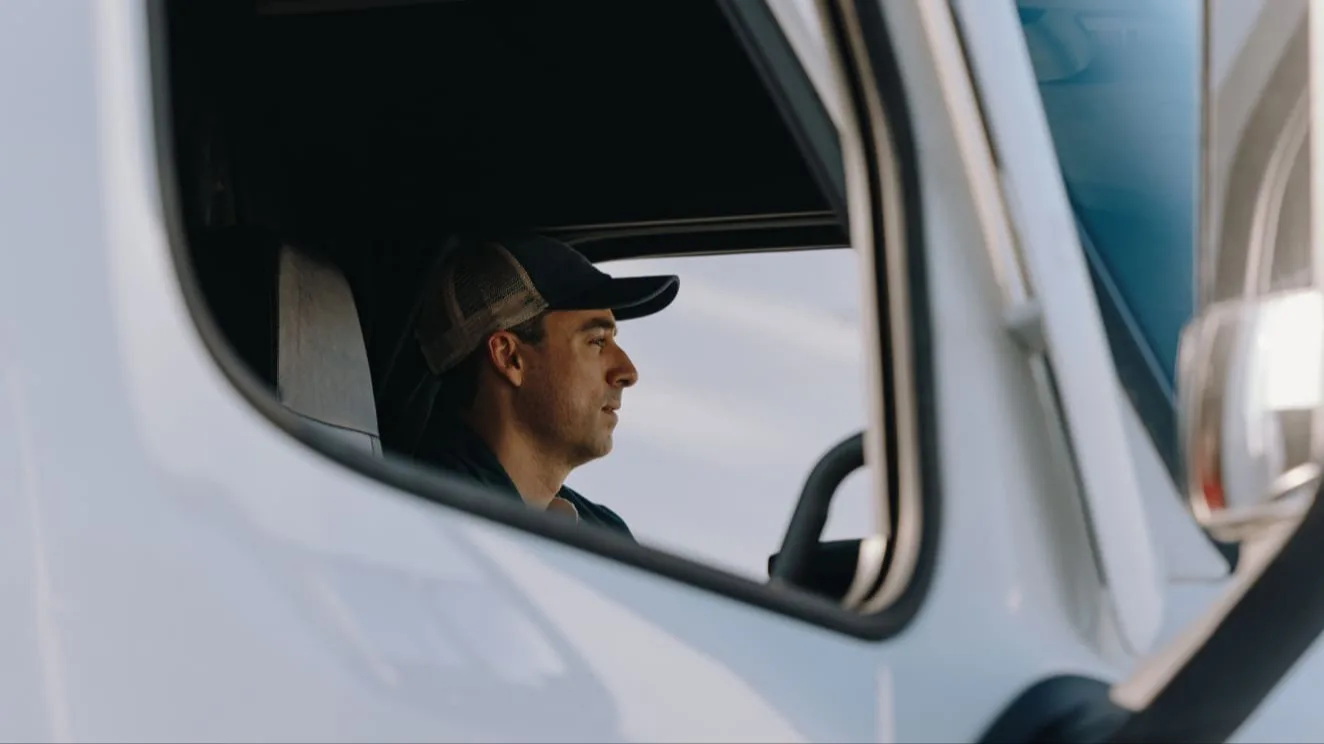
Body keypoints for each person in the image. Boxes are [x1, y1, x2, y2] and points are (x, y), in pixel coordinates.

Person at [412, 233, 679, 539]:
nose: (628, 372)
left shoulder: (604, 531)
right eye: (596, 341)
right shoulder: (436, 518)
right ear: (510, 358)